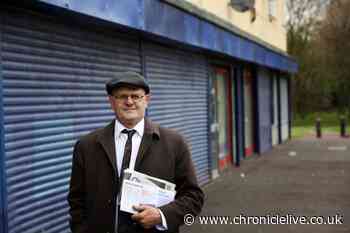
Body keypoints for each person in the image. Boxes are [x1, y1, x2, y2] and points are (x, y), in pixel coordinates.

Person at [68, 71, 204, 233]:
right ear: (111, 102)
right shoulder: (86, 145)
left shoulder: (174, 143)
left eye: (136, 96)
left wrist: (161, 215)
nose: (129, 102)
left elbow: (193, 197)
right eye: (122, 96)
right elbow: (76, 201)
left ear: (147, 100)